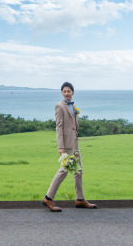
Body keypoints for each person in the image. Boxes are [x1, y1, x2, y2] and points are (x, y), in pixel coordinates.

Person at [42, 82, 98, 212]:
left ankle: (80, 199)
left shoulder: (73, 106)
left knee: (79, 171)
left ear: (73, 92)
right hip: (66, 145)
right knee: (64, 170)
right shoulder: (59, 106)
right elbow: (59, 127)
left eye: (69, 91)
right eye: (64, 91)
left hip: (75, 143)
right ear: (62, 93)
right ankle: (48, 198)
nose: (67, 93)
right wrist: (60, 147)